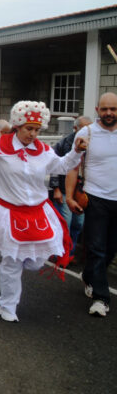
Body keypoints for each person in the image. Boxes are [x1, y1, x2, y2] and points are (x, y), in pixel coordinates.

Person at [0, 101, 86, 322]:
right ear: (18, 125)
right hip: (9, 213)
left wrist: (75, 152)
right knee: (11, 262)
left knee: (36, 261)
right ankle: (8, 306)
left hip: (37, 213)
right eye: (29, 128)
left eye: (37, 130)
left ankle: (19, 266)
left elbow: (63, 166)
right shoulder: (0, 146)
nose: (33, 134)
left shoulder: (44, 151)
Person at [67, 92, 117, 317]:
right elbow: (73, 166)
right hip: (95, 198)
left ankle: (89, 275)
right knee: (96, 247)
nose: (109, 113)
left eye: (113, 109)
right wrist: (69, 196)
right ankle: (100, 298)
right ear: (97, 110)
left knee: (110, 249)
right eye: (104, 109)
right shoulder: (86, 133)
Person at [49, 116, 91, 252]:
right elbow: (54, 167)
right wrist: (56, 188)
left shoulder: (92, 143)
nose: (87, 131)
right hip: (63, 189)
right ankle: (59, 252)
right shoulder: (64, 143)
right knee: (64, 223)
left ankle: (70, 251)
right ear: (75, 128)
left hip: (81, 191)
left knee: (78, 224)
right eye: (84, 128)